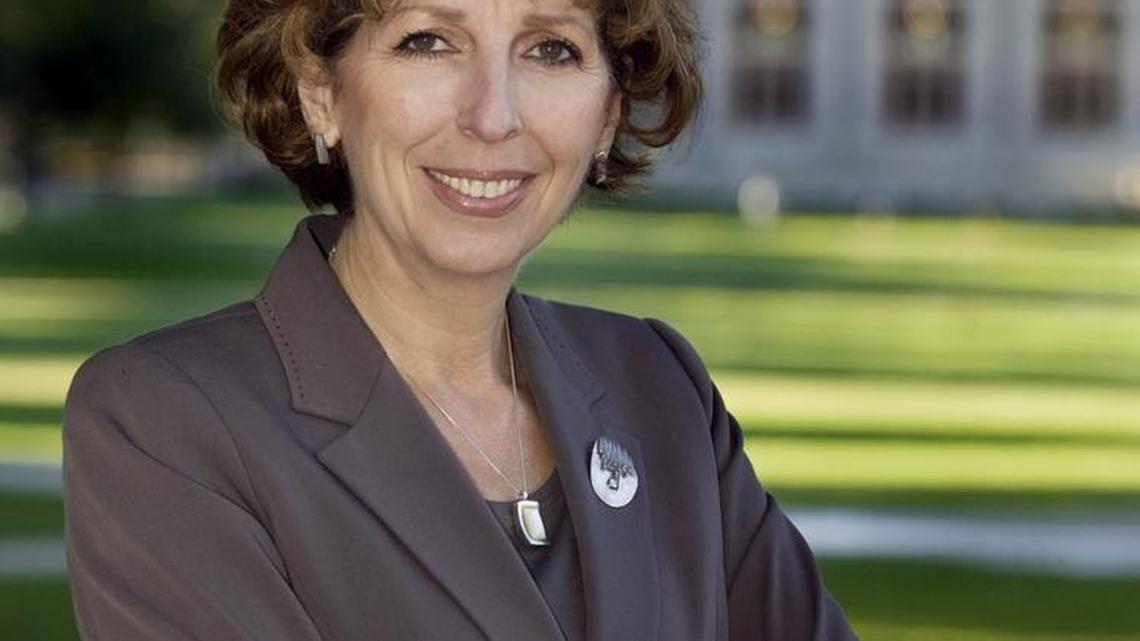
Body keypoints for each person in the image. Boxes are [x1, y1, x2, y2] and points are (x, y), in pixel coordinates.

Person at [61, 0, 859, 639]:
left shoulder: (659, 386)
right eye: (428, 41)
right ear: (320, 91)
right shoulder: (163, 422)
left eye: (551, 48)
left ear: (609, 117)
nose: (492, 116)